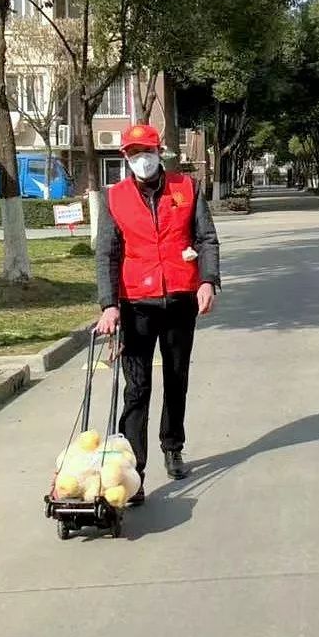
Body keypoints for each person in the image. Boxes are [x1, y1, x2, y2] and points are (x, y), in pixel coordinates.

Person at [95, 123, 220, 506]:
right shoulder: (114, 198)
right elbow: (107, 253)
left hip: (181, 298)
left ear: (159, 151)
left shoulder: (186, 188)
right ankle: (134, 472)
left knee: (177, 378)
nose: (141, 160)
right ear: (126, 158)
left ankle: (173, 445)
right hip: (136, 304)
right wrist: (109, 305)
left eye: (146, 151)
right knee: (137, 389)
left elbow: (205, 238)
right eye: (133, 154)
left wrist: (208, 280)